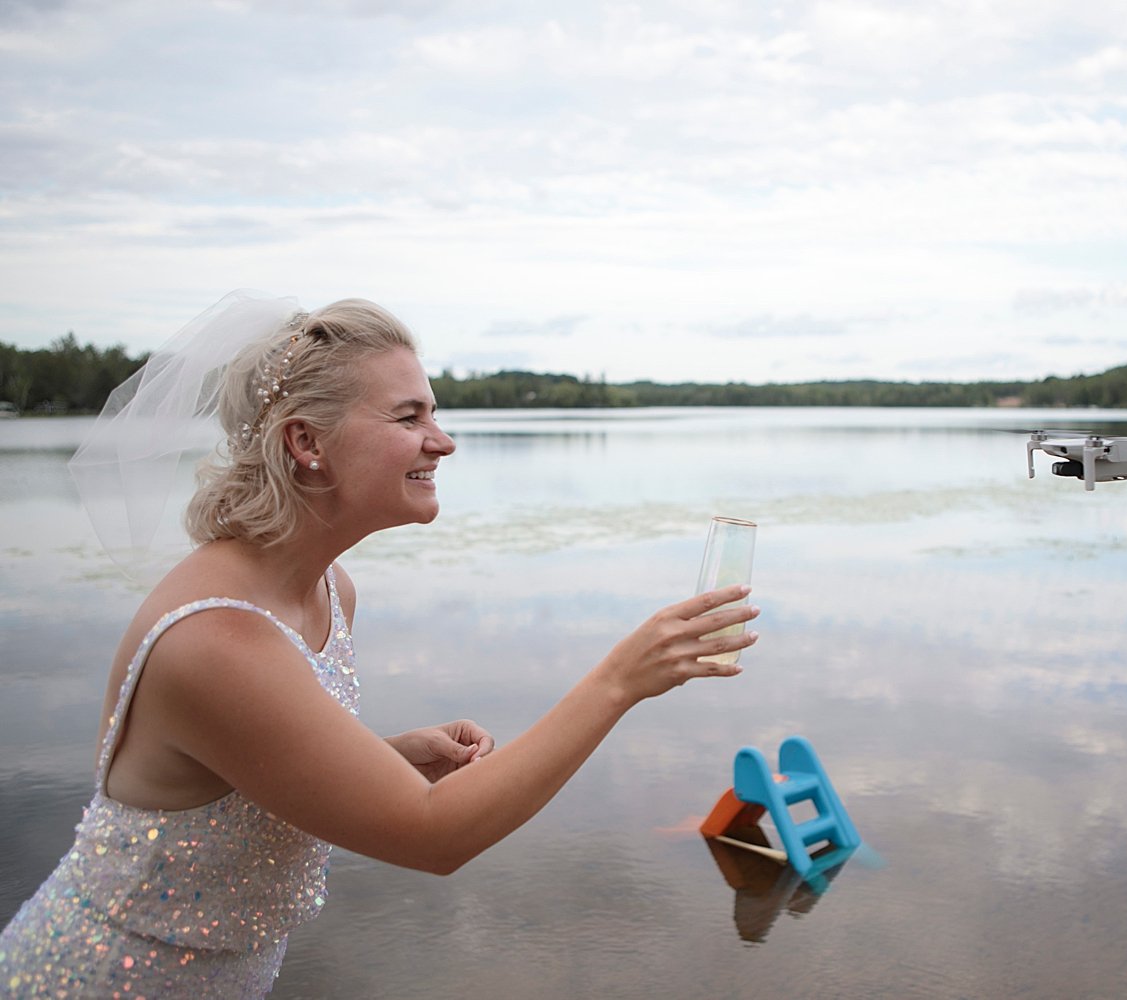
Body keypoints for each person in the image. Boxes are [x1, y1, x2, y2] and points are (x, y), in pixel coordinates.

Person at [0, 291, 759, 997]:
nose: (445, 441)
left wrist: (384, 761)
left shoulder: (330, 590)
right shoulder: (216, 639)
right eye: (408, 418)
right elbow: (434, 837)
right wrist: (619, 680)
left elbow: (240, 781)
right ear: (306, 442)